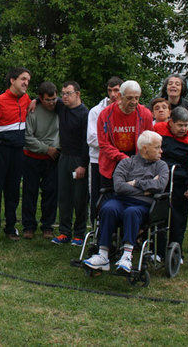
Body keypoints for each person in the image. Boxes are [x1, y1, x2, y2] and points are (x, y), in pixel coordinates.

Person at [83, 131, 168, 273]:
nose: (161, 151)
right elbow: (119, 187)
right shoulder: (126, 162)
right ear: (145, 148)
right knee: (108, 208)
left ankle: (127, 256)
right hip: (121, 199)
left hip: (143, 205)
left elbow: (160, 186)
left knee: (131, 212)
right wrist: (147, 188)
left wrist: (135, 182)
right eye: (157, 147)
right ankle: (103, 254)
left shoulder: (162, 166)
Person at [0, 67, 31, 242]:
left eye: (28, 80)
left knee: (13, 191)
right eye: (23, 79)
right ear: (12, 80)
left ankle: (11, 228)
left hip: (18, 152)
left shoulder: (26, 99)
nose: (26, 83)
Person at [153, 107, 188, 255]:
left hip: (181, 181)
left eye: (186, 125)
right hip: (160, 179)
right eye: (180, 125)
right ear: (171, 122)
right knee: (159, 215)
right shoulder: (158, 129)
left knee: (179, 217)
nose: (184, 129)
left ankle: (176, 249)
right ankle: (157, 250)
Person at [50, 81, 90, 246]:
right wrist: (35, 101)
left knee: (79, 198)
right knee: (64, 196)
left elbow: (87, 142)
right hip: (64, 157)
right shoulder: (61, 106)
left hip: (79, 158)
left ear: (78, 94)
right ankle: (64, 232)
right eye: (63, 93)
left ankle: (79, 233)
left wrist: (83, 164)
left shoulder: (85, 114)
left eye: (68, 93)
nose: (64, 96)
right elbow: (48, 97)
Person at [97, 80, 154, 192]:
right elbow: (103, 144)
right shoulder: (106, 114)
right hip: (112, 161)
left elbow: (149, 140)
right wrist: (122, 158)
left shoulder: (145, 114)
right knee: (109, 197)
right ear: (120, 96)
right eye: (129, 98)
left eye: (137, 98)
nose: (134, 102)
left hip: (137, 159)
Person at [21, 81, 59, 240]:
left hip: (53, 158)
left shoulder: (60, 107)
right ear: (41, 99)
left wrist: (53, 150)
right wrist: (46, 149)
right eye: (48, 100)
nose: (51, 103)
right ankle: (28, 226)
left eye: (54, 99)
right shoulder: (33, 110)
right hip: (33, 157)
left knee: (51, 193)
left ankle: (47, 226)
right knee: (30, 192)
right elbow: (28, 138)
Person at [86, 76, 123, 225]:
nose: (113, 94)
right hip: (98, 160)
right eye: (110, 90)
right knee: (97, 196)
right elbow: (92, 139)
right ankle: (96, 230)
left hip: (119, 161)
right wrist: (113, 145)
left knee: (117, 196)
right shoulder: (96, 111)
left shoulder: (127, 111)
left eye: (116, 90)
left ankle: (114, 230)